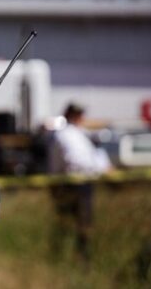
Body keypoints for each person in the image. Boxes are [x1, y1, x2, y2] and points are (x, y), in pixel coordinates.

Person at [48, 102, 111, 259]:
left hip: (80, 183)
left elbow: (93, 156)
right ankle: (64, 255)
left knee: (81, 224)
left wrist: (104, 166)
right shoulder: (64, 135)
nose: (80, 118)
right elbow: (76, 161)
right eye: (78, 115)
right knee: (69, 223)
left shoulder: (79, 134)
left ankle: (79, 256)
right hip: (71, 184)